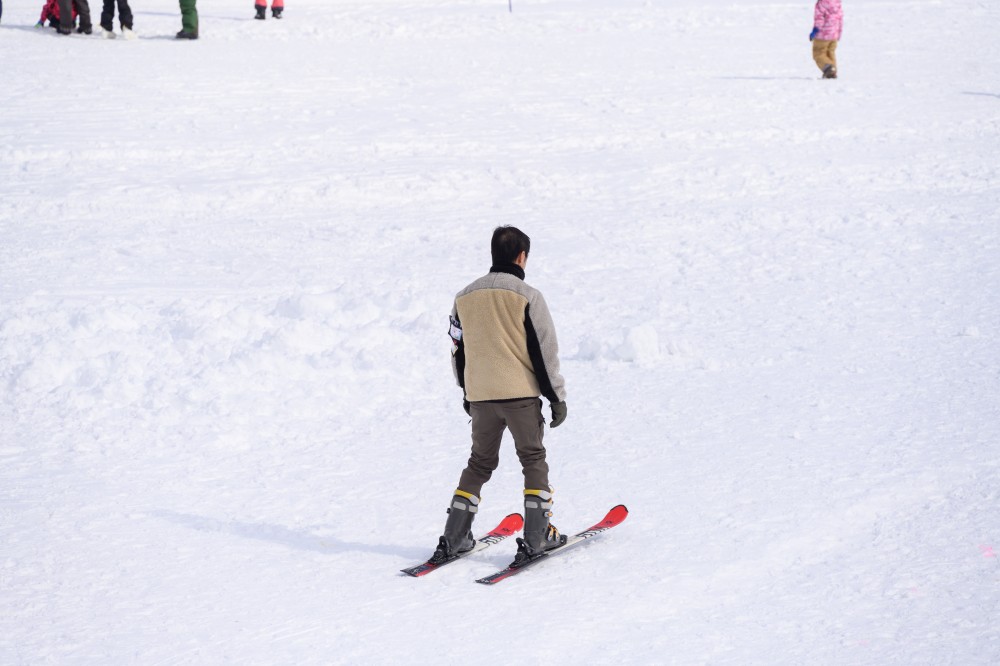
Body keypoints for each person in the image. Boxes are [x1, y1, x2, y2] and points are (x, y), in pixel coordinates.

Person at [433, 226, 569, 565]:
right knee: (533, 460)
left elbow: (457, 349)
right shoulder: (528, 296)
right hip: (520, 395)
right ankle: (537, 537)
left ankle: (454, 537)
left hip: (480, 396)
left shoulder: (463, 296)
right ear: (522, 256)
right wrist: (556, 397)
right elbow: (544, 350)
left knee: (478, 464)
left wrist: (467, 392)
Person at [810, 0, 843, 79]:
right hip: (834, 34)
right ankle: (832, 72)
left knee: (818, 53)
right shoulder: (837, 3)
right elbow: (840, 19)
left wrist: (815, 31)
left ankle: (829, 69)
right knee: (830, 53)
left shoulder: (821, 3)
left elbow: (819, 19)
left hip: (822, 35)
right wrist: (839, 33)